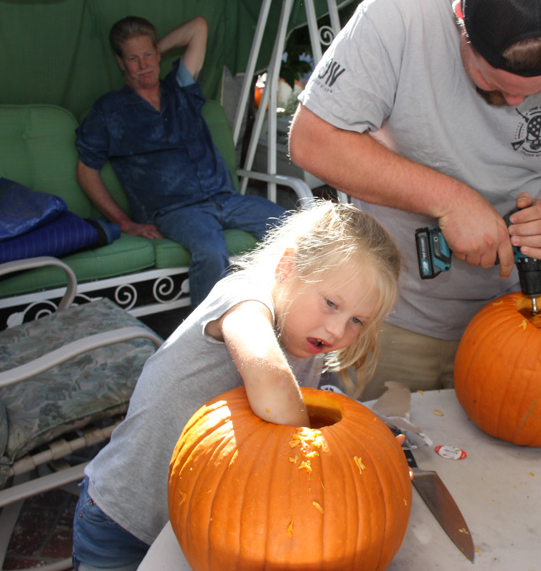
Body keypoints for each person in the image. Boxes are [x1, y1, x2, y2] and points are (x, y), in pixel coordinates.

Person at [288, 0, 541, 400]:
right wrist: (449, 200)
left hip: (504, 325)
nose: (514, 104)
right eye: (493, 82)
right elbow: (312, 140)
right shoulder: (402, 11)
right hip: (379, 316)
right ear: (460, 20)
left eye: (535, 91)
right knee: (360, 455)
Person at [71, 199, 402, 570]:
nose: (338, 329)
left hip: (199, 530)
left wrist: (368, 453)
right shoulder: (243, 300)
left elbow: (305, 411)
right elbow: (273, 384)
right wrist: (327, 460)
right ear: (286, 267)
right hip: (124, 521)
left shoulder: (309, 337)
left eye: (357, 320)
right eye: (330, 303)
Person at [76, 15, 285, 308]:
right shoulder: (109, 110)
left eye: (148, 55)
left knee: (288, 227)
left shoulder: (181, 88)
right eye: (133, 59)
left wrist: (154, 52)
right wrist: (124, 222)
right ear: (120, 63)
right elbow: (86, 170)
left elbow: (199, 26)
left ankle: (276, 312)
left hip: (225, 198)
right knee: (211, 250)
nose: (143, 65)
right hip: (175, 209)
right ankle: (204, 338)